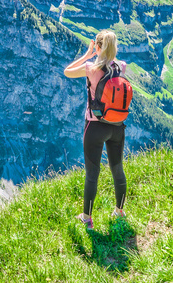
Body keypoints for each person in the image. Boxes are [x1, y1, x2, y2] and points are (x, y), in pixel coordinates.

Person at [64, 30, 127, 229]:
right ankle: (119, 211)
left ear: (98, 47)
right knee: (118, 169)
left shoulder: (91, 68)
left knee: (92, 174)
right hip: (117, 127)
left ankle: (87, 218)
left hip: (95, 127)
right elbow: (112, 61)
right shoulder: (121, 66)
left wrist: (88, 54)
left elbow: (67, 71)